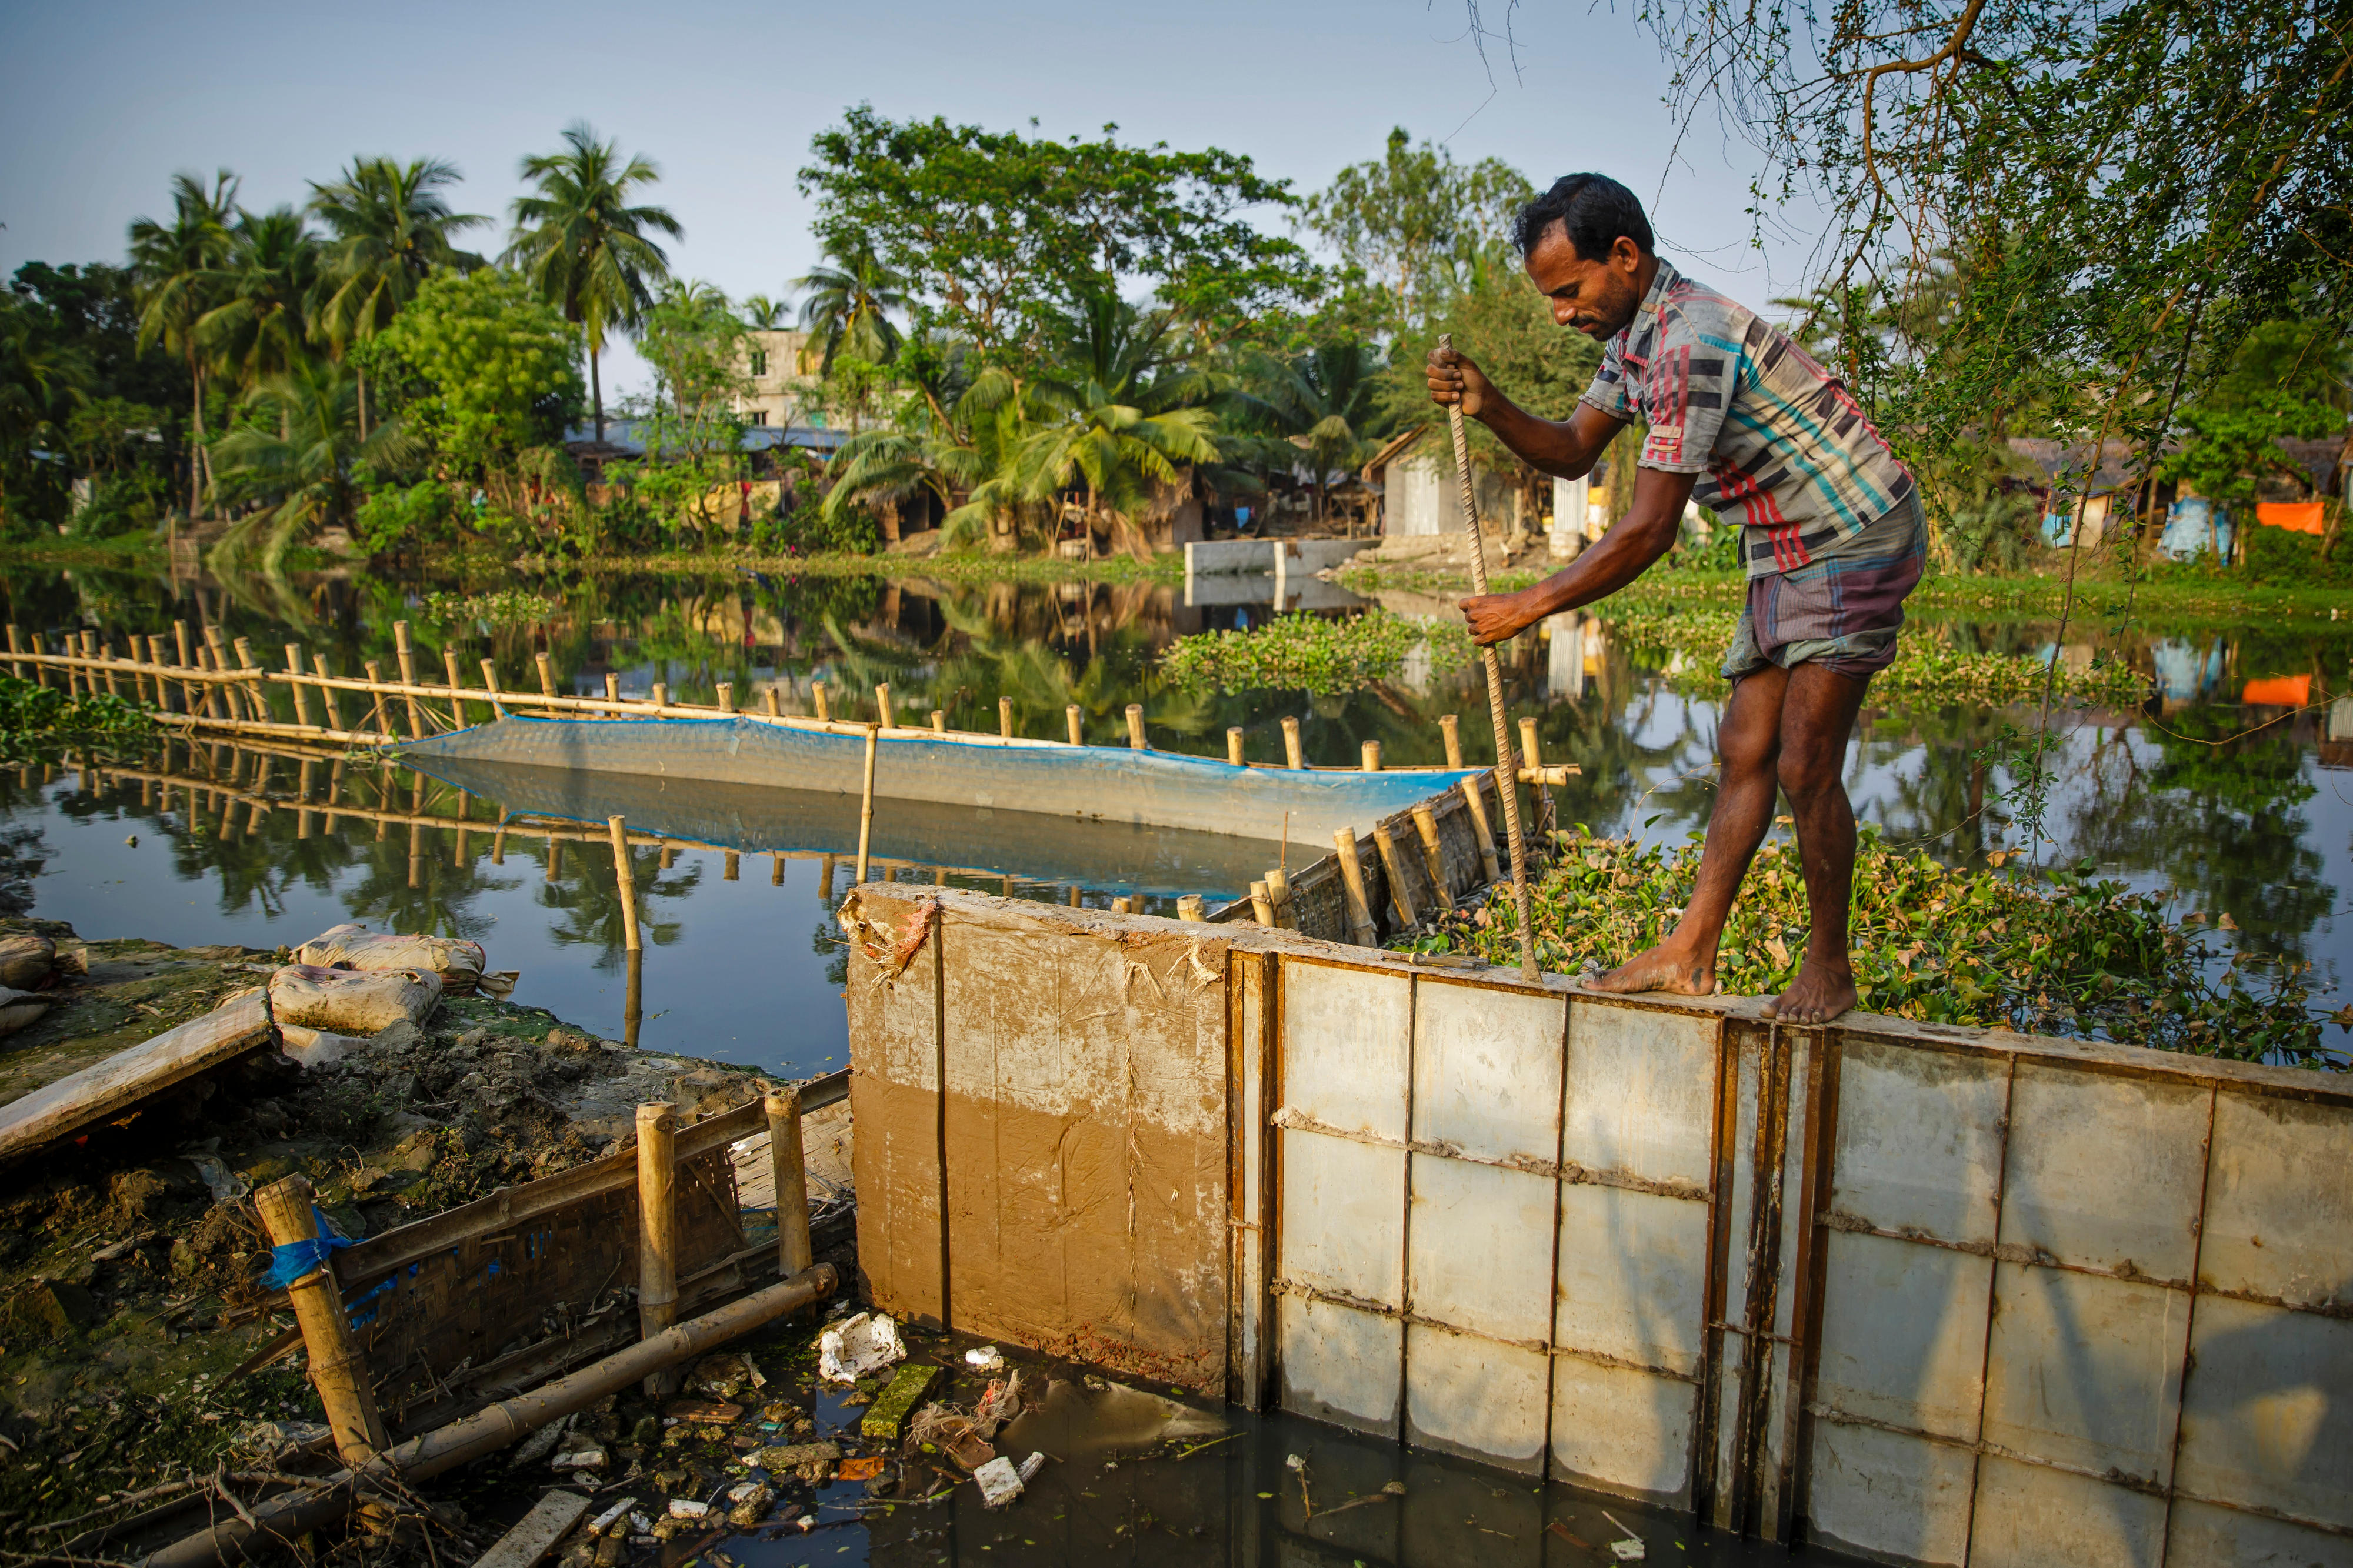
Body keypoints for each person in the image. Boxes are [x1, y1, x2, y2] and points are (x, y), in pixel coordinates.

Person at [1428, 173, 1924, 1024]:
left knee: (1804, 761)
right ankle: (1693, 952)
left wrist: (1530, 603)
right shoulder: (1634, 339)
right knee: (1745, 746)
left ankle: (1830, 968)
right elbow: (1577, 447)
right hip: (1784, 543)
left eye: (1570, 290)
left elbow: (1650, 530)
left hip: (1854, 534)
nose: (1561, 312)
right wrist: (1490, 404)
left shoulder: (1689, 341)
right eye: (1550, 298)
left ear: (1625, 256)